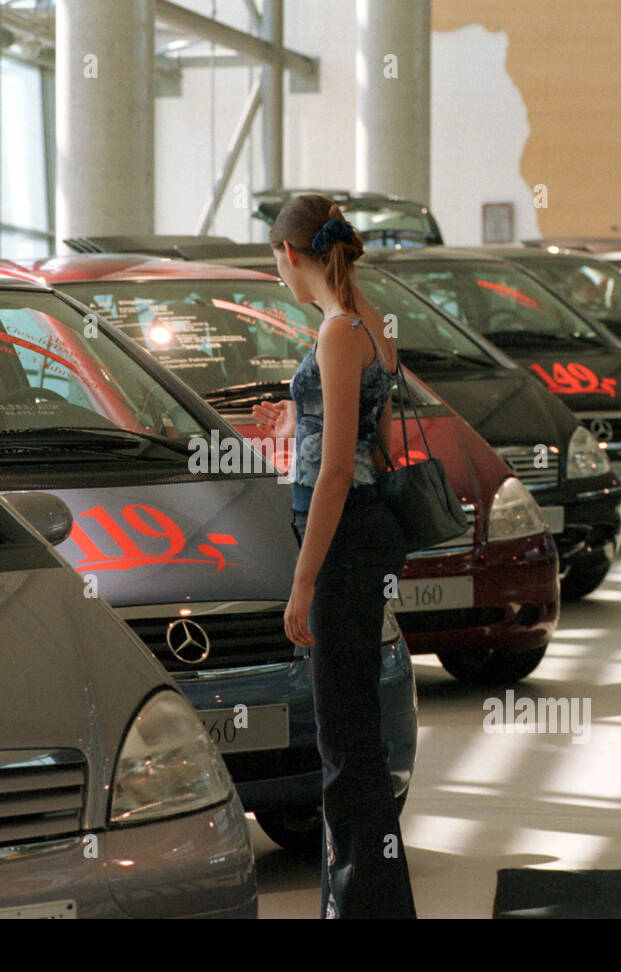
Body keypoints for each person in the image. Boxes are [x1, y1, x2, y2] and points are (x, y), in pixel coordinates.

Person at [251, 194, 414, 918]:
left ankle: (360, 904)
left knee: (344, 740)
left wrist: (302, 581)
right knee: (354, 731)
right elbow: (356, 426)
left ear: (289, 254)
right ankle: (365, 899)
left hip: (344, 538)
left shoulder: (338, 331)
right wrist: (294, 417)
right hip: (365, 532)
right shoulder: (367, 322)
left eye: (274, 262)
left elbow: (340, 469)